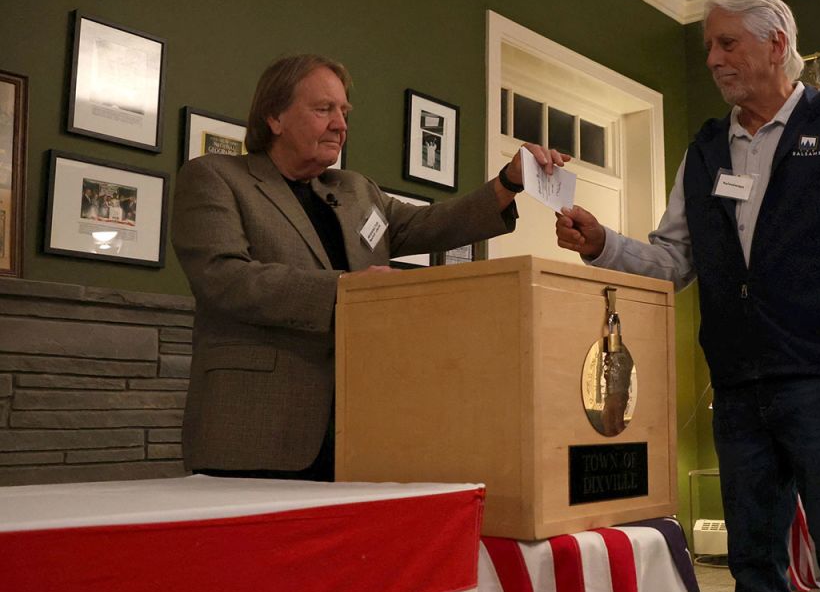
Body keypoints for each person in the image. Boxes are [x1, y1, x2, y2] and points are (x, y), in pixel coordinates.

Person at [555, 0, 820, 592]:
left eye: (728, 44)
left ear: (777, 44)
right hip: (740, 389)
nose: (715, 60)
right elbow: (674, 261)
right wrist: (602, 241)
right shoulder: (705, 150)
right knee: (751, 563)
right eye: (710, 48)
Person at [172, 54, 565, 482]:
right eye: (323, 109)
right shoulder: (214, 176)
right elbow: (223, 279)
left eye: (344, 111)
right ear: (274, 117)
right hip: (256, 426)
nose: (340, 124)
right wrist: (348, 290)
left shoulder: (355, 190)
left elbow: (429, 224)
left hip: (363, 428)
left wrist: (508, 182)